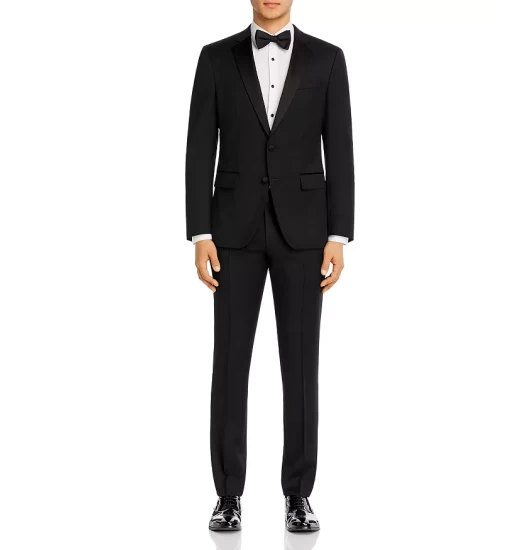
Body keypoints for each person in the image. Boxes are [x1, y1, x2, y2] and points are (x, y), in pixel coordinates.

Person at [186, 0, 354, 533]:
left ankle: (298, 496)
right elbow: (199, 147)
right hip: (231, 234)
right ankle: (227, 496)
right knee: (229, 364)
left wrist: (338, 235)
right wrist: (200, 232)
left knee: (301, 367)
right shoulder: (215, 58)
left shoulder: (328, 59)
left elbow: (340, 148)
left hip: (305, 234)